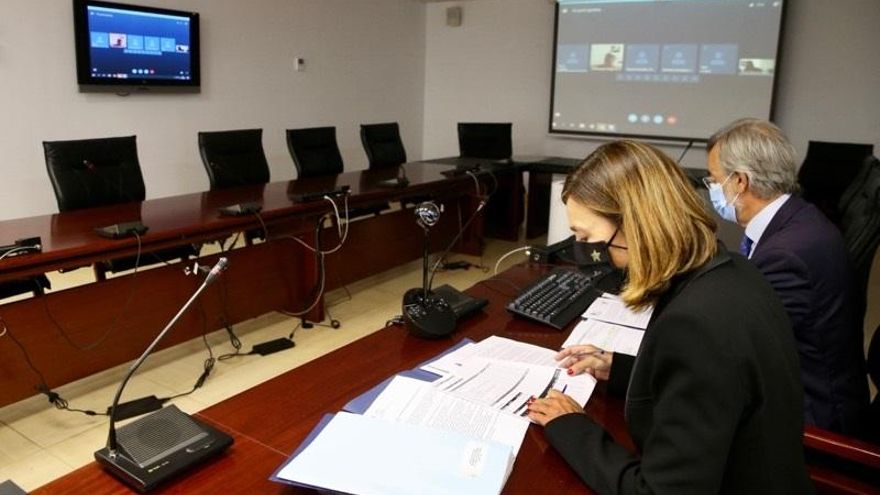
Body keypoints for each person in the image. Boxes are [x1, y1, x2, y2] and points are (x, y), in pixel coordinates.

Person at [527, 140, 813, 494]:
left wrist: (570, 425)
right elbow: (711, 385)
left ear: (638, 228)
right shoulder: (731, 271)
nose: (585, 253)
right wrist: (621, 369)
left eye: (586, 237)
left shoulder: (695, 325)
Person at [705, 118, 869, 436]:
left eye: (714, 180)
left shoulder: (786, 255)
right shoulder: (798, 218)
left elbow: (739, 348)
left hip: (812, 420)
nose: (712, 188)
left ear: (740, 181)